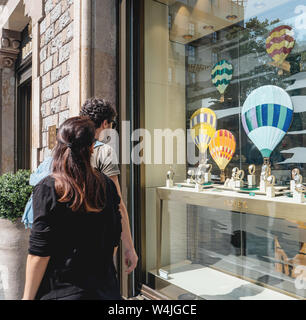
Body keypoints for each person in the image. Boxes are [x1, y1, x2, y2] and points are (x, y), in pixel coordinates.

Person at [22, 98, 138, 275]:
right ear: (105, 123)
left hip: (55, 241)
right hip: (88, 248)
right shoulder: (104, 151)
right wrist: (129, 246)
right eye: (112, 124)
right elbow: (117, 205)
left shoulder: (62, 148)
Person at [23, 117, 123, 300]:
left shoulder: (48, 188)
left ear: (58, 146)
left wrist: (26, 298)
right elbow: (114, 241)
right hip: (105, 290)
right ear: (92, 148)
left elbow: (39, 254)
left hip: (61, 291)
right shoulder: (107, 185)